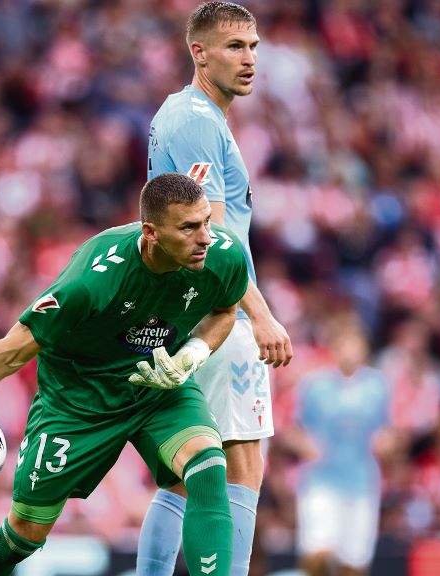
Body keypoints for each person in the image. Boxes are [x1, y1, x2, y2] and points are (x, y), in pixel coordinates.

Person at [0, 173, 250, 576]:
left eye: (207, 221)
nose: (205, 237)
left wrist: (194, 353)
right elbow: (13, 350)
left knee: (208, 464)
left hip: (158, 385)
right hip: (78, 401)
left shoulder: (223, 255)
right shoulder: (92, 281)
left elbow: (225, 311)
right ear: (150, 233)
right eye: (189, 227)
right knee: (24, 535)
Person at [138, 3, 293, 575]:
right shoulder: (198, 121)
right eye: (234, 46)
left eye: (253, 46)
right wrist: (262, 316)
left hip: (182, 311)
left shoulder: (184, 116)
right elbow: (216, 236)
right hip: (216, 313)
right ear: (197, 52)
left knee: (185, 473)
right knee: (242, 463)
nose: (249, 58)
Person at [294, 317, 390, 576]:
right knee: (317, 554)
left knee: (354, 563)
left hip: (361, 481)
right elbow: (292, 429)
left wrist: (388, 442)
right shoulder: (314, 385)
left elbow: (389, 430)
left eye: (355, 344)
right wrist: (305, 444)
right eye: (344, 344)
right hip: (321, 479)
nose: (349, 350)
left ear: (364, 349)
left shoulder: (378, 386)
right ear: (334, 349)